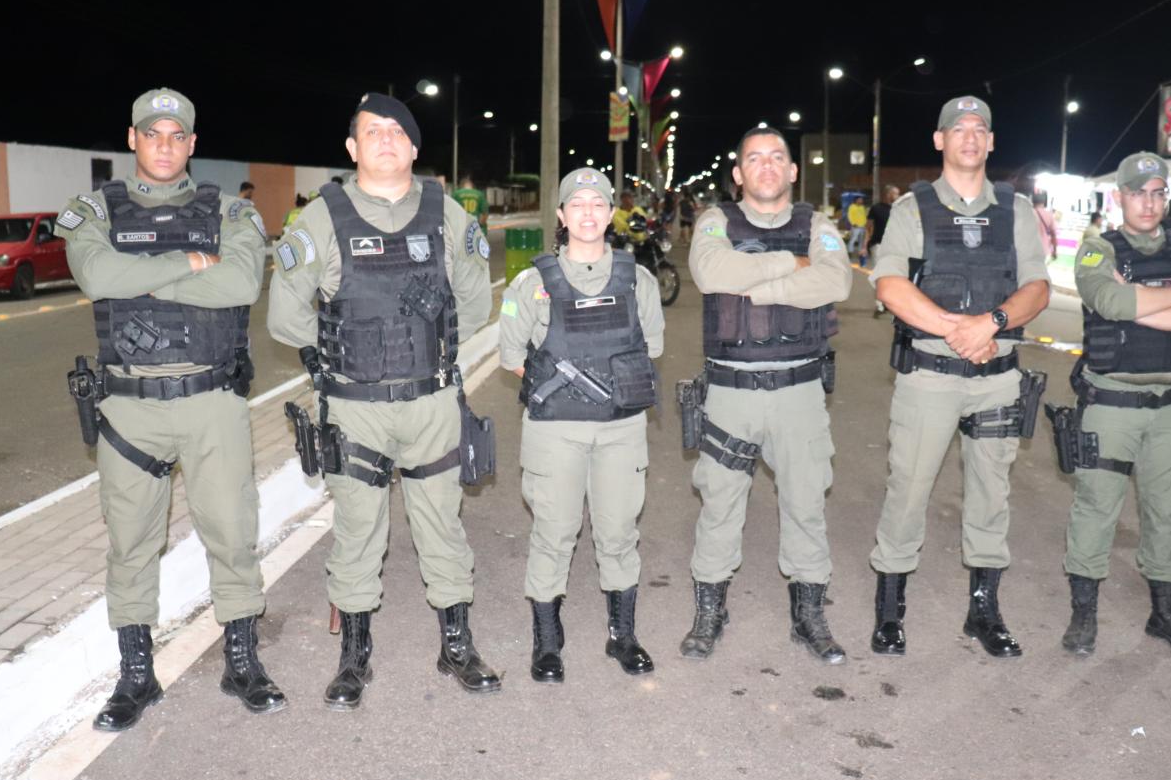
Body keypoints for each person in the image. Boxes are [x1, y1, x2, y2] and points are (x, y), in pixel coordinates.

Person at [57, 88, 282, 731]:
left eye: (176, 135)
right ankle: (137, 675)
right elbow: (98, 277)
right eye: (152, 134)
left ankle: (242, 661)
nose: (164, 145)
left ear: (192, 143)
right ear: (132, 138)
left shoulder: (232, 211)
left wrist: (141, 273)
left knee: (232, 533)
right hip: (129, 409)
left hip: (212, 400)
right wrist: (187, 262)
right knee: (130, 541)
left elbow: (240, 283)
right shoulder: (93, 211)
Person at [267, 92, 499, 707]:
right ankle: (354, 656)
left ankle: (456, 645)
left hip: (431, 403)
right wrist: (348, 347)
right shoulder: (321, 218)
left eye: (398, 131)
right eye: (373, 131)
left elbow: (476, 302)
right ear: (352, 147)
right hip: (355, 407)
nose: (387, 139)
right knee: (357, 529)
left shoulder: (449, 214)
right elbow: (285, 318)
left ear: (414, 148)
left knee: (443, 524)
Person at [869, 96, 1051, 659]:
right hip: (930, 375)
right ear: (939, 140)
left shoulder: (1016, 210)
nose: (969, 137)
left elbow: (1037, 289)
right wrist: (960, 330)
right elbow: (889, 285)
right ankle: (890, 611)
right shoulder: (912, 209)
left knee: (992, 495)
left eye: (979, 129)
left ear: (991, 142)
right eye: (957, 128)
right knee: (908, 490)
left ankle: (983, 611)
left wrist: (991, 323)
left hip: (997, 379)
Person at [681, 126, 852, 664]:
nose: (767, 166)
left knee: (806, 503)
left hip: (799, 390)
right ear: (738, 173)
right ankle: (710, 611)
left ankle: (809, 616)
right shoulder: (716, 221)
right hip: (731, 391)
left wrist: (755, 289)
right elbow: (711, 272)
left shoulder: (817, 225)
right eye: (755, 158)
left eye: (777, 157)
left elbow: (836, 282)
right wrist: (788, 265)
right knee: (719, 503)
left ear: (793, 170)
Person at [1056, 152, 1171, 658]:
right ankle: (1084, 613)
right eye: (1138, 193)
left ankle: (1165, 614)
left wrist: (1138, 302)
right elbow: (1108, 303)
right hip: (1111, 402)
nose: (1149, 203)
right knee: (1095, 507)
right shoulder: (1096, 249)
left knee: (1167, 511)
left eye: (1157, 193)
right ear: (1119, 197)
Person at [500, 168, 665, 682]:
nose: (588, 213)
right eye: (577, 204)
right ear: (561, 214)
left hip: (621, 428)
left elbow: (651, 348)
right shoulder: (531, 284)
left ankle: (623, 635)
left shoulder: (639, 280)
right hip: (555, 430)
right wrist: (562, 387)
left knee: (618, 532)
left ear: (611, 213)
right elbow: (512, 356)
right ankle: (548, 642)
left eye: (597, 203)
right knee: (554, 532)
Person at [1032, 191, 1058, 262]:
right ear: (1044, 203)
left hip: (1029, 250)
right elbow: (1054, 235)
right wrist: (1054, 251)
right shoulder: (1049, 215)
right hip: (1044, 250)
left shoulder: (1027, 213)